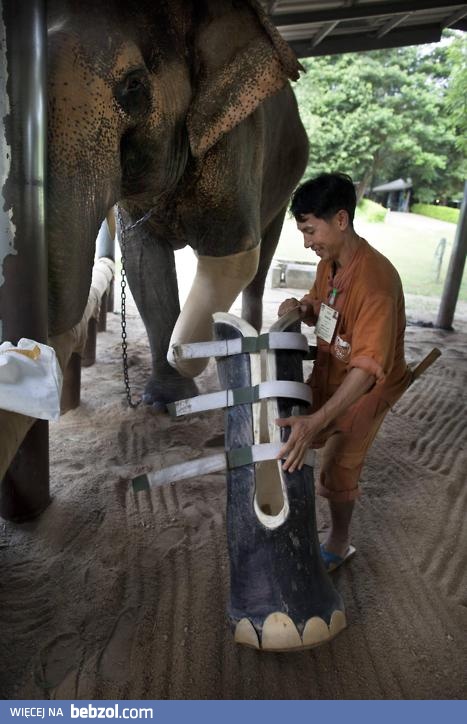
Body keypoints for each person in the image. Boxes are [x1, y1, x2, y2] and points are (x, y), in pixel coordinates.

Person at [276, 172, 411, 572]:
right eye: (301, 232)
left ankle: (339, 540)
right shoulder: (329, 263)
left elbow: (368, 371)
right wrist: (301, 309)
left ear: (340, 220)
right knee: (294, 425)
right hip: (334, 367)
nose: (306, 242)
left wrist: (319, 419)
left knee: (337, 462)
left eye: (309, 230)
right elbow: (322, 306)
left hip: (370, 385)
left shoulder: (376, 284)